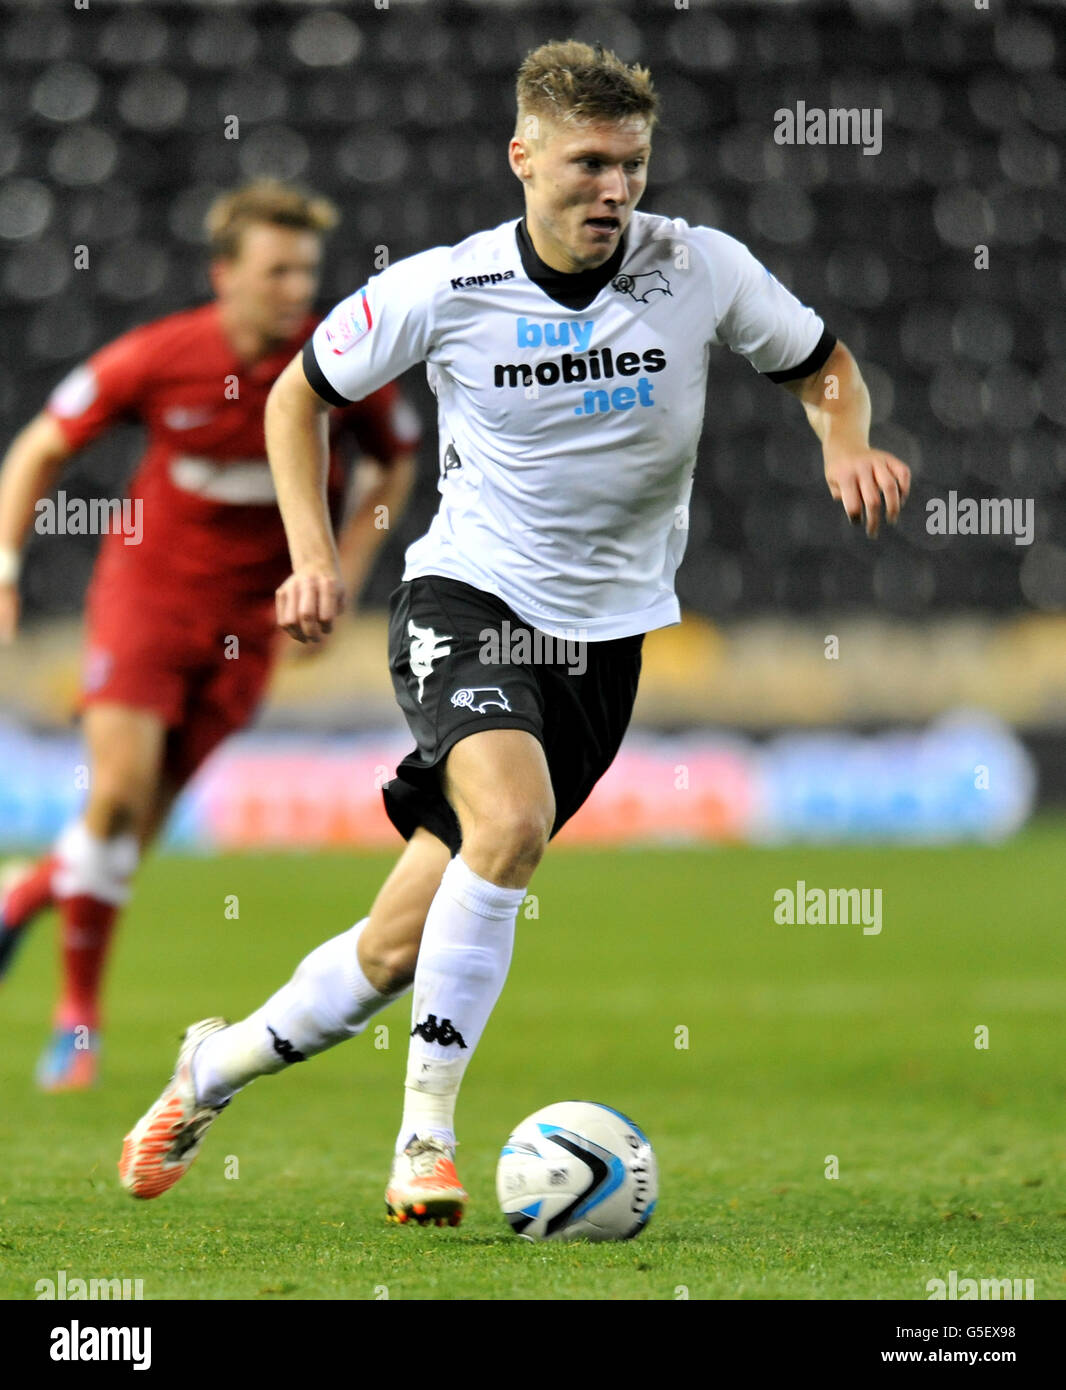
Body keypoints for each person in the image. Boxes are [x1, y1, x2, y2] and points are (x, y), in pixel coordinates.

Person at [117, 41, 910, 1223]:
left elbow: (822, 364)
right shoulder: (444, 287)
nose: (614, 190)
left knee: (394, 946)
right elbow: (299, 395)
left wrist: (841, 439)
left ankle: (209, 1069)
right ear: (522, 158)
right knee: (512, 821)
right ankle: (423, 1140)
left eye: (632, 165)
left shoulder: (700, 267)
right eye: (589, 163)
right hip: (468, 602)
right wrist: (315, 554)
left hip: (604, 646)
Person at [0, 179, 420, 1090]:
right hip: (146, 600)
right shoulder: (162, 355)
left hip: (252, 624)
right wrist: (4, 569)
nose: (295, 291)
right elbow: (39, 446)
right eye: (276, 272)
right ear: (224, 275)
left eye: (306, 272)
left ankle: (25, 895)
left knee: (132, 831)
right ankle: (78, 1021)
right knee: (114, 799)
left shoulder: (336, 363)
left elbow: (397, 460)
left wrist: (342, 562)